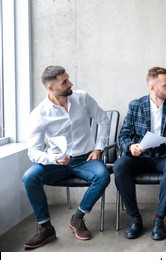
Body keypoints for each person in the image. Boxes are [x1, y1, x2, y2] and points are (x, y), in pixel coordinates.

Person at [22, 65, 111, 249]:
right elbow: (33, 151)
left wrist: (98, 148)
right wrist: (54, 159)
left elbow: (103, 120)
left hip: (86, 159)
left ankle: (77, 218)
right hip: (57, 162)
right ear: (51, 88)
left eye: (68, 78)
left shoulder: (82, 97)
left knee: (103, 176)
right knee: (29, 177)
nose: (71, 83)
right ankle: (45, 227)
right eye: (65, 82)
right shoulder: (39, 114)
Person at [114, 66, 166, 241]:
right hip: (140, 156)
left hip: (165, 156)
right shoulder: (136, 105)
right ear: (152, 87)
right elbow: (123, 135)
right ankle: (135, 218)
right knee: (119, 166)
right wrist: (131, 146)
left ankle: (159, 218)